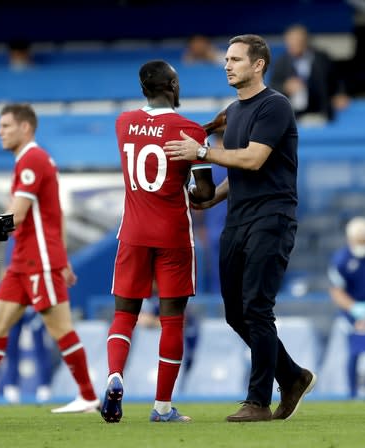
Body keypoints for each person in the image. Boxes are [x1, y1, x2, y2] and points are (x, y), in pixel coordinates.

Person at [164, 34, 317, 422]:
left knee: (257, 308)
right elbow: (239, 170)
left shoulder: (275, 106)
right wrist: (212, 196)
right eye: (227, 59)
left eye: (235, 59)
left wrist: (200, 152)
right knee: (236, 312)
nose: (227, 64)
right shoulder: (232, 111)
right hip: (238, 217)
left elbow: (253, 159)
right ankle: (293, 376)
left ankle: (258, 401)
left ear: (259, 64)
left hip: (272, 217)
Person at [99, 60, 215, 424]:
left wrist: (206, 129)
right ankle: (162, 408)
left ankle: (115, 375)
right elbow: (205, 192)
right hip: (173, 236)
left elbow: (154, 134)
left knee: (124, 315)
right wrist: (194, 184)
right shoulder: (191, 130)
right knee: (172, 321)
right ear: (173, 84)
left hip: (132, 232)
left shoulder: (122, 123)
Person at [0, 103, 100, 414]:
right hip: (22, 261)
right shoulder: (29, 162)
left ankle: (89, 395)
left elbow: (19, 214)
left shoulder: (33, 160)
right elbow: (57, 214)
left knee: (60, 328)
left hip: (38, 260)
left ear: (25, 128)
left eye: (6, 126)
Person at [327, 216, 365, 398]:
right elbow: (336, 291)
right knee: (354, 352)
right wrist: (355, 310)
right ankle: (352, 393)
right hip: (352, 313)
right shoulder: (340, 260)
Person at [269, 24, 349, 123]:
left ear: (306, 41)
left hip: (321, 112)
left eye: (298, 41)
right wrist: (285, 87)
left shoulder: (321, 58)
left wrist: (340, 94)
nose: (293, 44)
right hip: (292, 115)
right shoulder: (281, 62)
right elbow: (272, 87)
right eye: (290, 41)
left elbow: (336, 79)